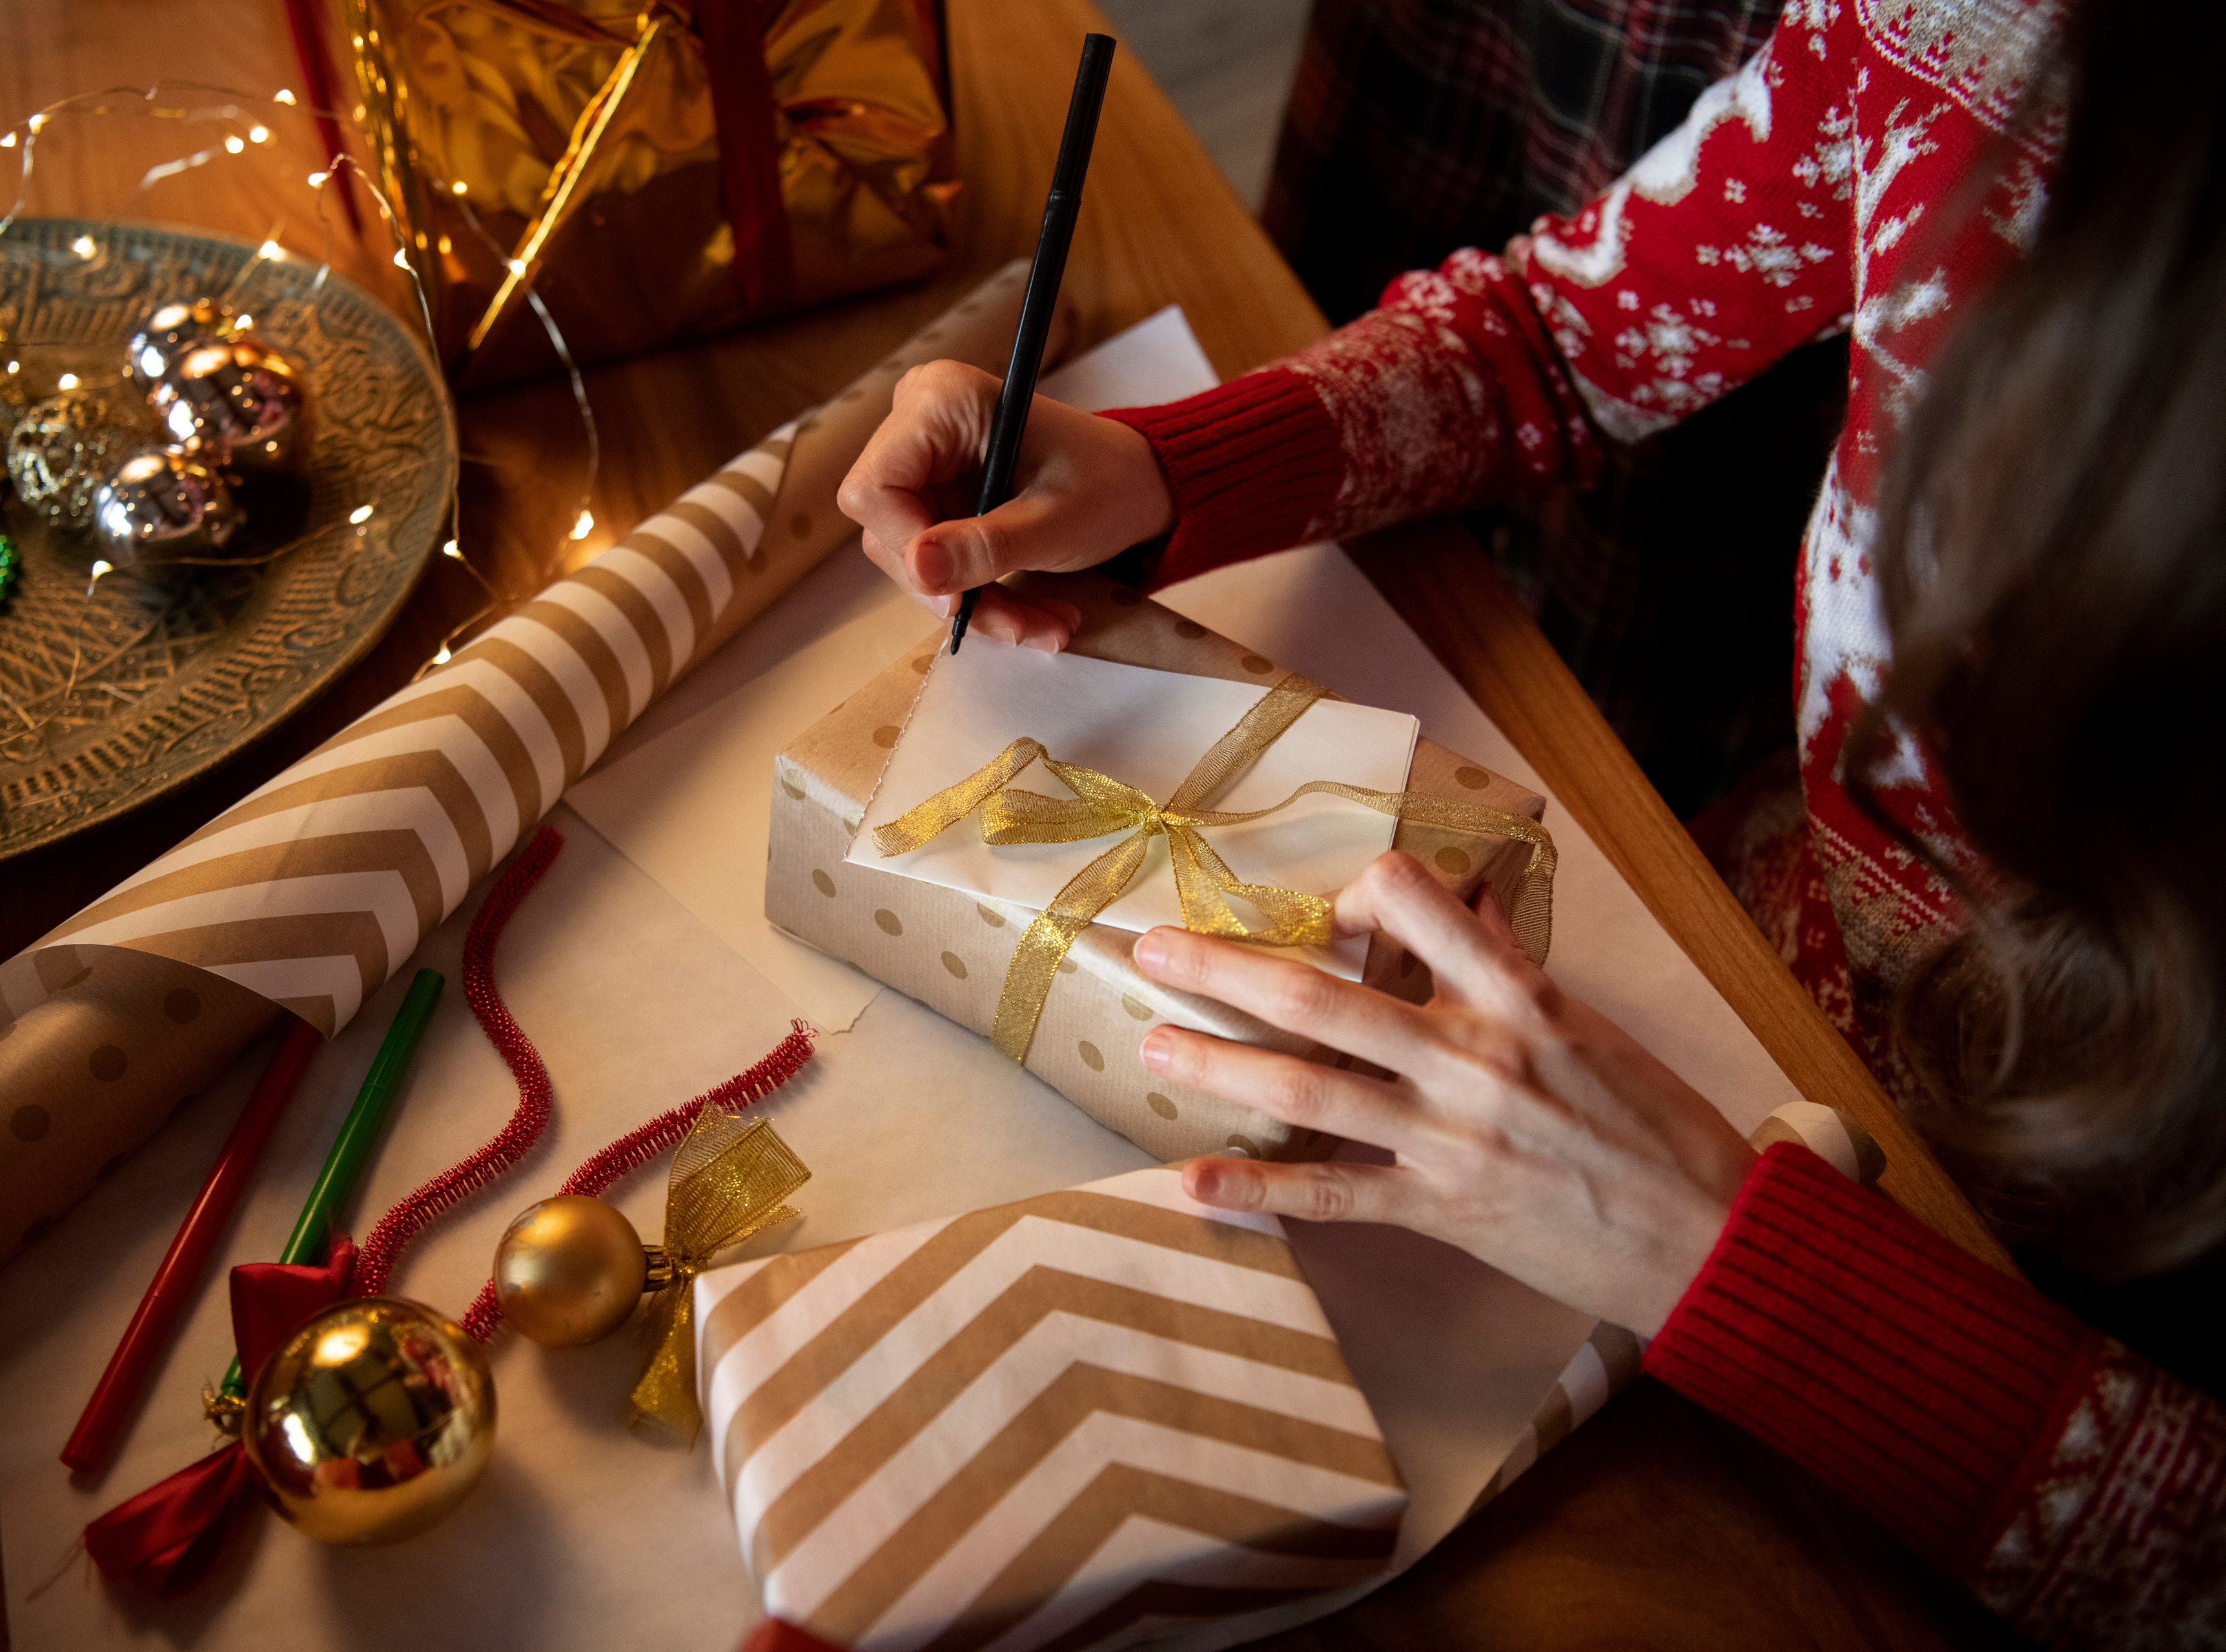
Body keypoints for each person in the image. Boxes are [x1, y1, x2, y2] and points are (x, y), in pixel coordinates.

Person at [836, 0, 2226, 1646]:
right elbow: (1560, 336)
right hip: (1735, 980)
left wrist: (1716, 1252)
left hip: (2020, 1317)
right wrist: (1165, 467)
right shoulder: (1975, 24)